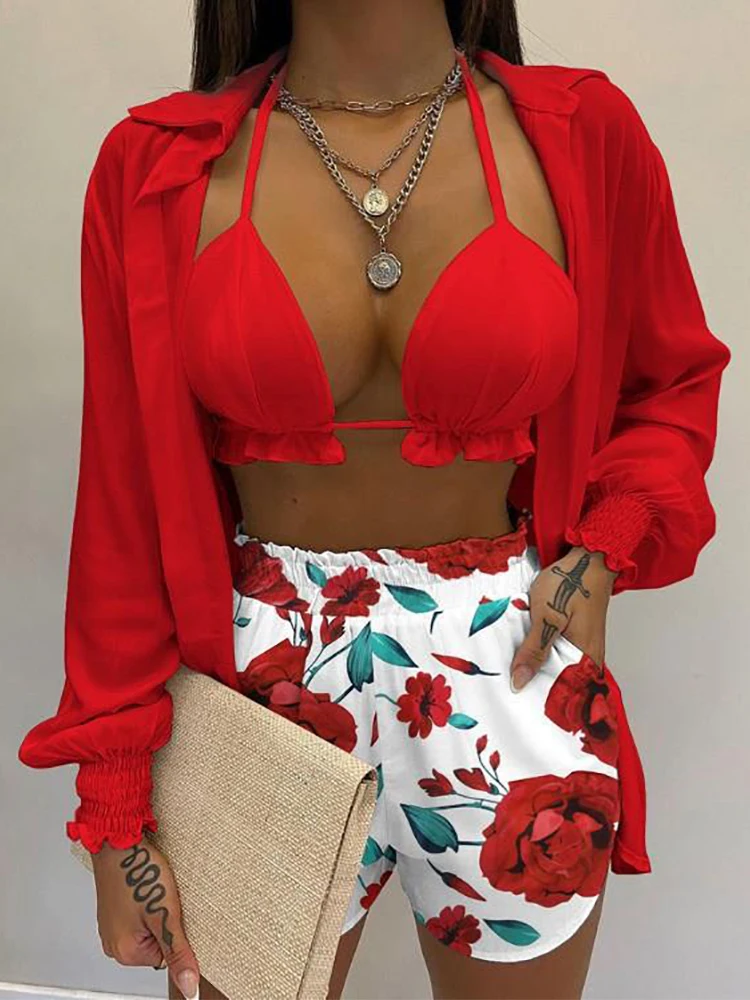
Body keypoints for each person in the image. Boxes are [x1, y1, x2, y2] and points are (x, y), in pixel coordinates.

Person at [18, 2, 731, 998]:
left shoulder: (582, 134)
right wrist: (115, 808)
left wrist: (606, 547)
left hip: (510, 672)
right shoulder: (154, 169)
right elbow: (121, 505)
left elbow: (670, 383)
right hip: (258, 693)